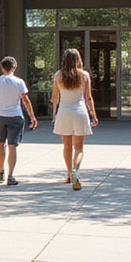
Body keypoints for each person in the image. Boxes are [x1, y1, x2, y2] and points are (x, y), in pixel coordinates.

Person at [0, 56, 37, 186]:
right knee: (12, 146)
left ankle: (1, 171)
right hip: (16, 116)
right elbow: (25, 100)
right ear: (15, 66)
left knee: (0, 144)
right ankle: (10, 175)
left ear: (1, 67)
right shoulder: (19, 82)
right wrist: (32, 116)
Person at [50, 48, 97, 189]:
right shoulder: (84, 75)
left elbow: (54, 97)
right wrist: (93, 115)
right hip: (80, 112)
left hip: (64, 112)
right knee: (79, 148)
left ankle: (69, 174)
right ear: (78, 60)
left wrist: (54, 114)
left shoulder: (58, 75)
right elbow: (88, 97)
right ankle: (76, 170)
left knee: (66, 146)